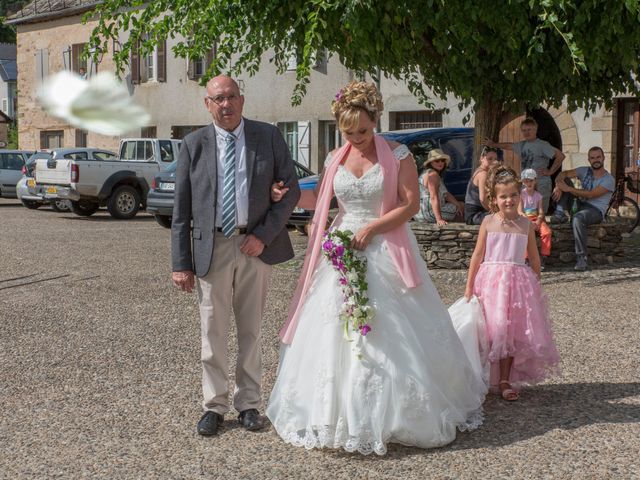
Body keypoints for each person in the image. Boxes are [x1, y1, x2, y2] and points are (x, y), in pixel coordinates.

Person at [267, 81, 487, 455]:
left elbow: (410, 204)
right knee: (334, 326)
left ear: (376, 120)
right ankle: (334, 413)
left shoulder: (399, 155)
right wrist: (285, 195)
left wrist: (373, 226)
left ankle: (400, 412)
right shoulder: (335, 157)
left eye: (364, 131)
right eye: (349, 132)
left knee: (391, 325)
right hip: (341, 248)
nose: (357, 139)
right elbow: (321, 199)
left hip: (383, 243)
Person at [171, 75, 300, 437]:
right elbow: (181, 210)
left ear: (242, 100)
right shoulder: (193, 145)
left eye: (230, 97)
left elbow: (288, 192)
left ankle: (248, 403)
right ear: (207, 104)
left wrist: (263, 236)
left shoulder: (268, 137)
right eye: (217, 99)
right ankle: (213, 405)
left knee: (251, 330)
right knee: (212, 330)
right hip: (211, 247)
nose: (225, 104)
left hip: (254, 246)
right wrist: (181, 263)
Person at [465, 166, 560, 401]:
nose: (508, 200)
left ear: (520, 195)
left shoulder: (526, 225)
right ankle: (484, 375)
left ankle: (505, 379)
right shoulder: (488, 222)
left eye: (513, 195)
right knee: (490, 329)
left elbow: (534, 257)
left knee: (509, 332)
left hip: (517, 284)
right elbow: (477, 255)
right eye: (503, 196)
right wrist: (469, 286)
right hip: (490, 283)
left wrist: (535, 285)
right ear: (494, 199)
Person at [549, 146, 615, 271]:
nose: (596, 160)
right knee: (566, 180)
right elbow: (563, 174)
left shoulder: (609, 179)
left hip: (595, 210)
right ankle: (559, 212)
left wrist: (568, 189)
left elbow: (591, 194)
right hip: (580, 204)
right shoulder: (584, 170)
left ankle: (581, 258)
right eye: (592, 158)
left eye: (598, 157)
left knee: (578, 218)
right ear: (589, 160)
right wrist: (559, 185)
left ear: (603, 158)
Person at [485, 117, 565, 213]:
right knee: (525, 215)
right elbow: (509, 146)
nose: (526, 132)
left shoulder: (543, 145)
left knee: (540, 214)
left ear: (535, 130)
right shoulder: (522, 145)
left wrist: (550, 171)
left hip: (541, 184)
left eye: (529, 130)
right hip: (526, 185)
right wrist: (493, 145)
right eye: (524, 130)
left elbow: (560, 156)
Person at [418, 148, 464, 225]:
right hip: (429, 213)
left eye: (442, 160)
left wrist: (458, 204)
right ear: (430, 163)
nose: (440, 163)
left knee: (460, 205)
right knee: (461, 209)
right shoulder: (433, 175)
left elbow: (446, 194)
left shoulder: (428, 173)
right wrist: (439, 219)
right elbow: (433, 197)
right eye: (437, 161)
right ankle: (463, 234)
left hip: (420, 213)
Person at [518, 168, 552, 267]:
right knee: (527, 233)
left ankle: (544, 256)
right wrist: (529, 222)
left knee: (547, 232)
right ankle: (526, 258)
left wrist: (538, 221)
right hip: (525, 219)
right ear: (523, 182)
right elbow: (520, 211)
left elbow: (540, 211)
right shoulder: (521, 195)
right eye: (526, 181)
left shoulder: (538, 196)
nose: (529, 183)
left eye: (531, 180)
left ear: (535, 181)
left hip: (536, 219)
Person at [464, 146, 501, 225]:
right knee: (503, 216)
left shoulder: (483, 171)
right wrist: (494, 211)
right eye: (490, 159)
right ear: (482, 159)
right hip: (474, 215)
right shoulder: (483, 174)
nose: (493, 161)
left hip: (478, 212)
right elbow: (483, 199)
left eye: (495, 159)